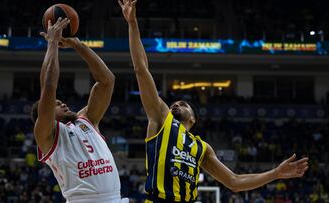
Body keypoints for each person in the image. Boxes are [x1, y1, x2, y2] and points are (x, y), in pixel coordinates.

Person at [118, 1, 309, 202]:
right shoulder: (160, 120)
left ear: (193, 119)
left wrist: (275, 173)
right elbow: (141, 69)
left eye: (183, 104)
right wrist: (132, 23)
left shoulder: (202, 148)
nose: (176, 104)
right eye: (176, 103)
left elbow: (234, 182)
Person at [31, 17, 127, 203]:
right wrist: (52, 43)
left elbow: (107, 82)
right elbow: (49, 86)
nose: (64, 104)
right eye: (57, 104)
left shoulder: (86, 119)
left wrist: (78, 46)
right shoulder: (46, 136)